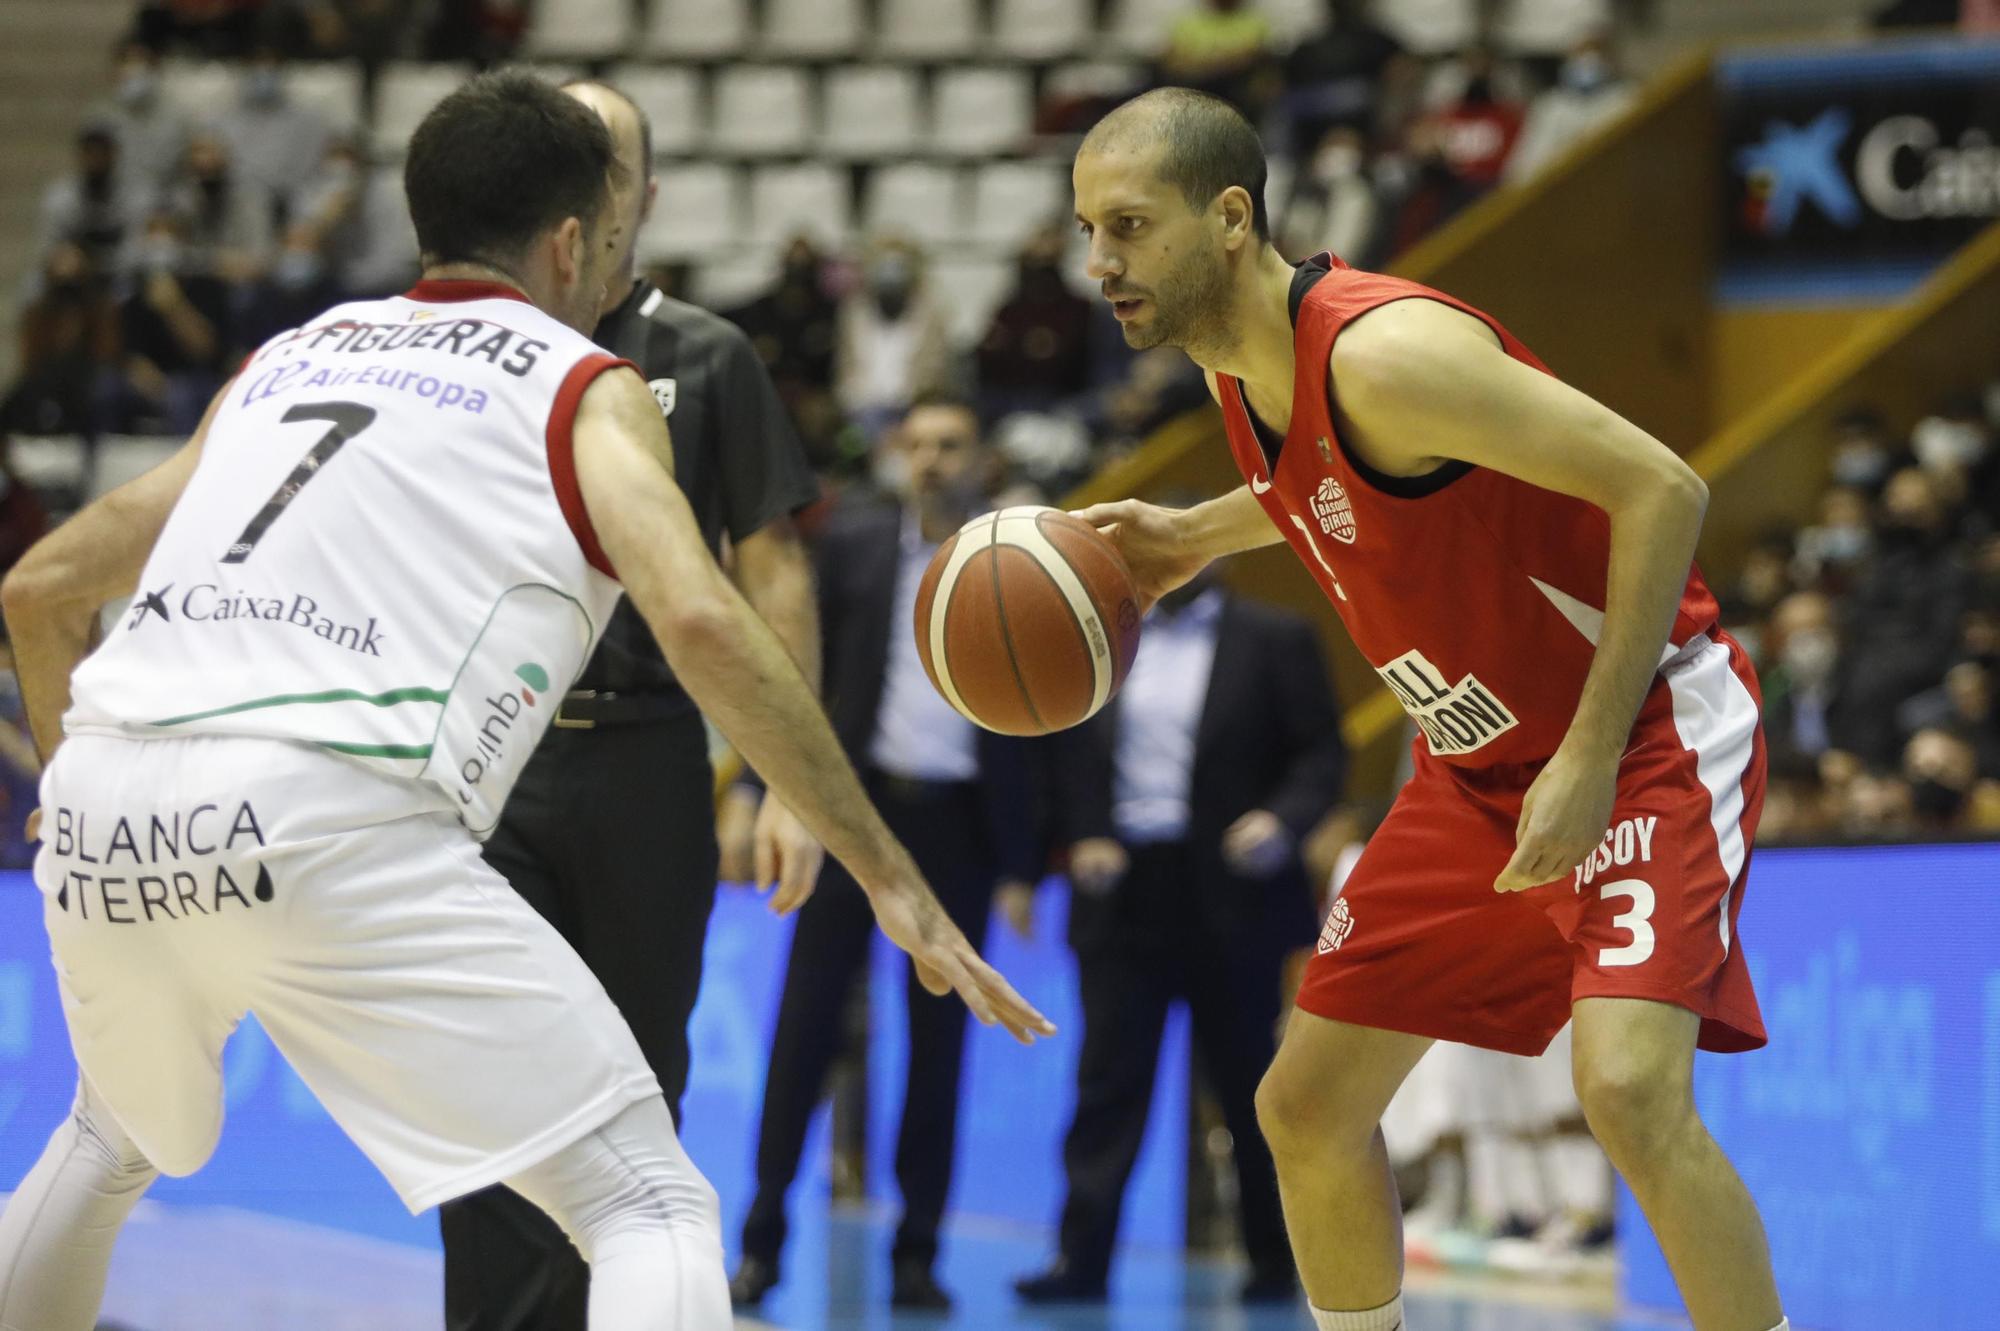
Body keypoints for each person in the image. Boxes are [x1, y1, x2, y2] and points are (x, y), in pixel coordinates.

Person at [0, 71, 1050, 1331]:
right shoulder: (579, 377)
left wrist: (79, 803)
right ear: (570, 243)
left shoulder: (287, 356)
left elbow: (41, 588)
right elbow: (707, 615)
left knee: (105, 1142)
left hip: (111, 803)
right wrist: (883, 868)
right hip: (328, 797)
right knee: (650, 1203)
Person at [1069, 88, 1787, 1331]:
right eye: (1087, 230)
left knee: (1624, 1091)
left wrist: (1586, 751)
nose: (1100, 264)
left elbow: (1660, 487)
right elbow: (1343, 478)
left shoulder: (1381, 351)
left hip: (1640, 737)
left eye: (1128, 226)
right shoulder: (1241, 371)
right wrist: (1195, 530)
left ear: (1229, 218)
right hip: (1470, 776)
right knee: (1302, 1105)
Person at [437, 78, 825, 1331]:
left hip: (648, 758)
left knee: (633, 1082)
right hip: (483, 759)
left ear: (635, 201)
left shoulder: (703, 355)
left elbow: (771, 571)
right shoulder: (463, 354)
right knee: (486, 1076)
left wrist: (785, 785)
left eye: (604, 166)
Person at [729, 395, 1045, 1314]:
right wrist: (759, 791)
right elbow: (792, 673)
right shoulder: (860, 546)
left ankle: (917, 1255)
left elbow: (1053, 722)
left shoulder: (1020, 558)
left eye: (952, 444)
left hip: (960, 828)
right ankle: (761, 1244)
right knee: (803, 1032)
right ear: (902, 457)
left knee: (940, 1048)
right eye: (920, 445)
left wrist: (1025, 859)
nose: (935, 460)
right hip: (850, 813)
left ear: (982, 458)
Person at [1013, 567, 1346, 1305]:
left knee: (1250, 1086)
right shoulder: (1100, 641)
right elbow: (1057, 753)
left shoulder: (1274, 636)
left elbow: (1323, 751)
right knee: (1107, 1082)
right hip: (1123, 887)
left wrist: (1282, 821)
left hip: (1236, 887)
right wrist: (1080, 836)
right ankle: (1081, 1260)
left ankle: (1274, 1259)